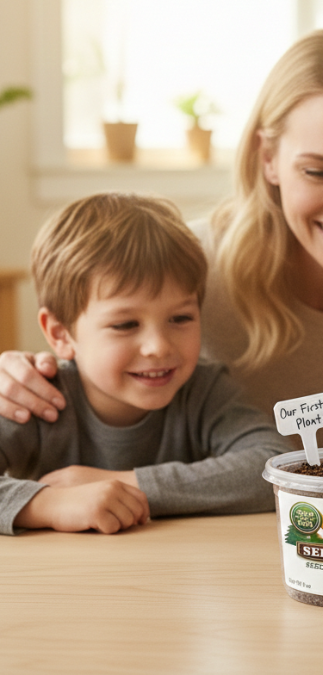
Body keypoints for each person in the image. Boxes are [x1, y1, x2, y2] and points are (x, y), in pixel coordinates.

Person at [0, 29, 323, 450]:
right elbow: (80, 370)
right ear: (267, 158)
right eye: (318, 172)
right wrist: (18, 380)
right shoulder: (183, 264)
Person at [1, 193, 288, 535]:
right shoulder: (36, 399)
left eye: (180, 318)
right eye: (125, 325)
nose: (158, 347)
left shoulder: (204, 390)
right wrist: (47, 504)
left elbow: (272, 465)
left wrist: (129, 484)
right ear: (61, 334)